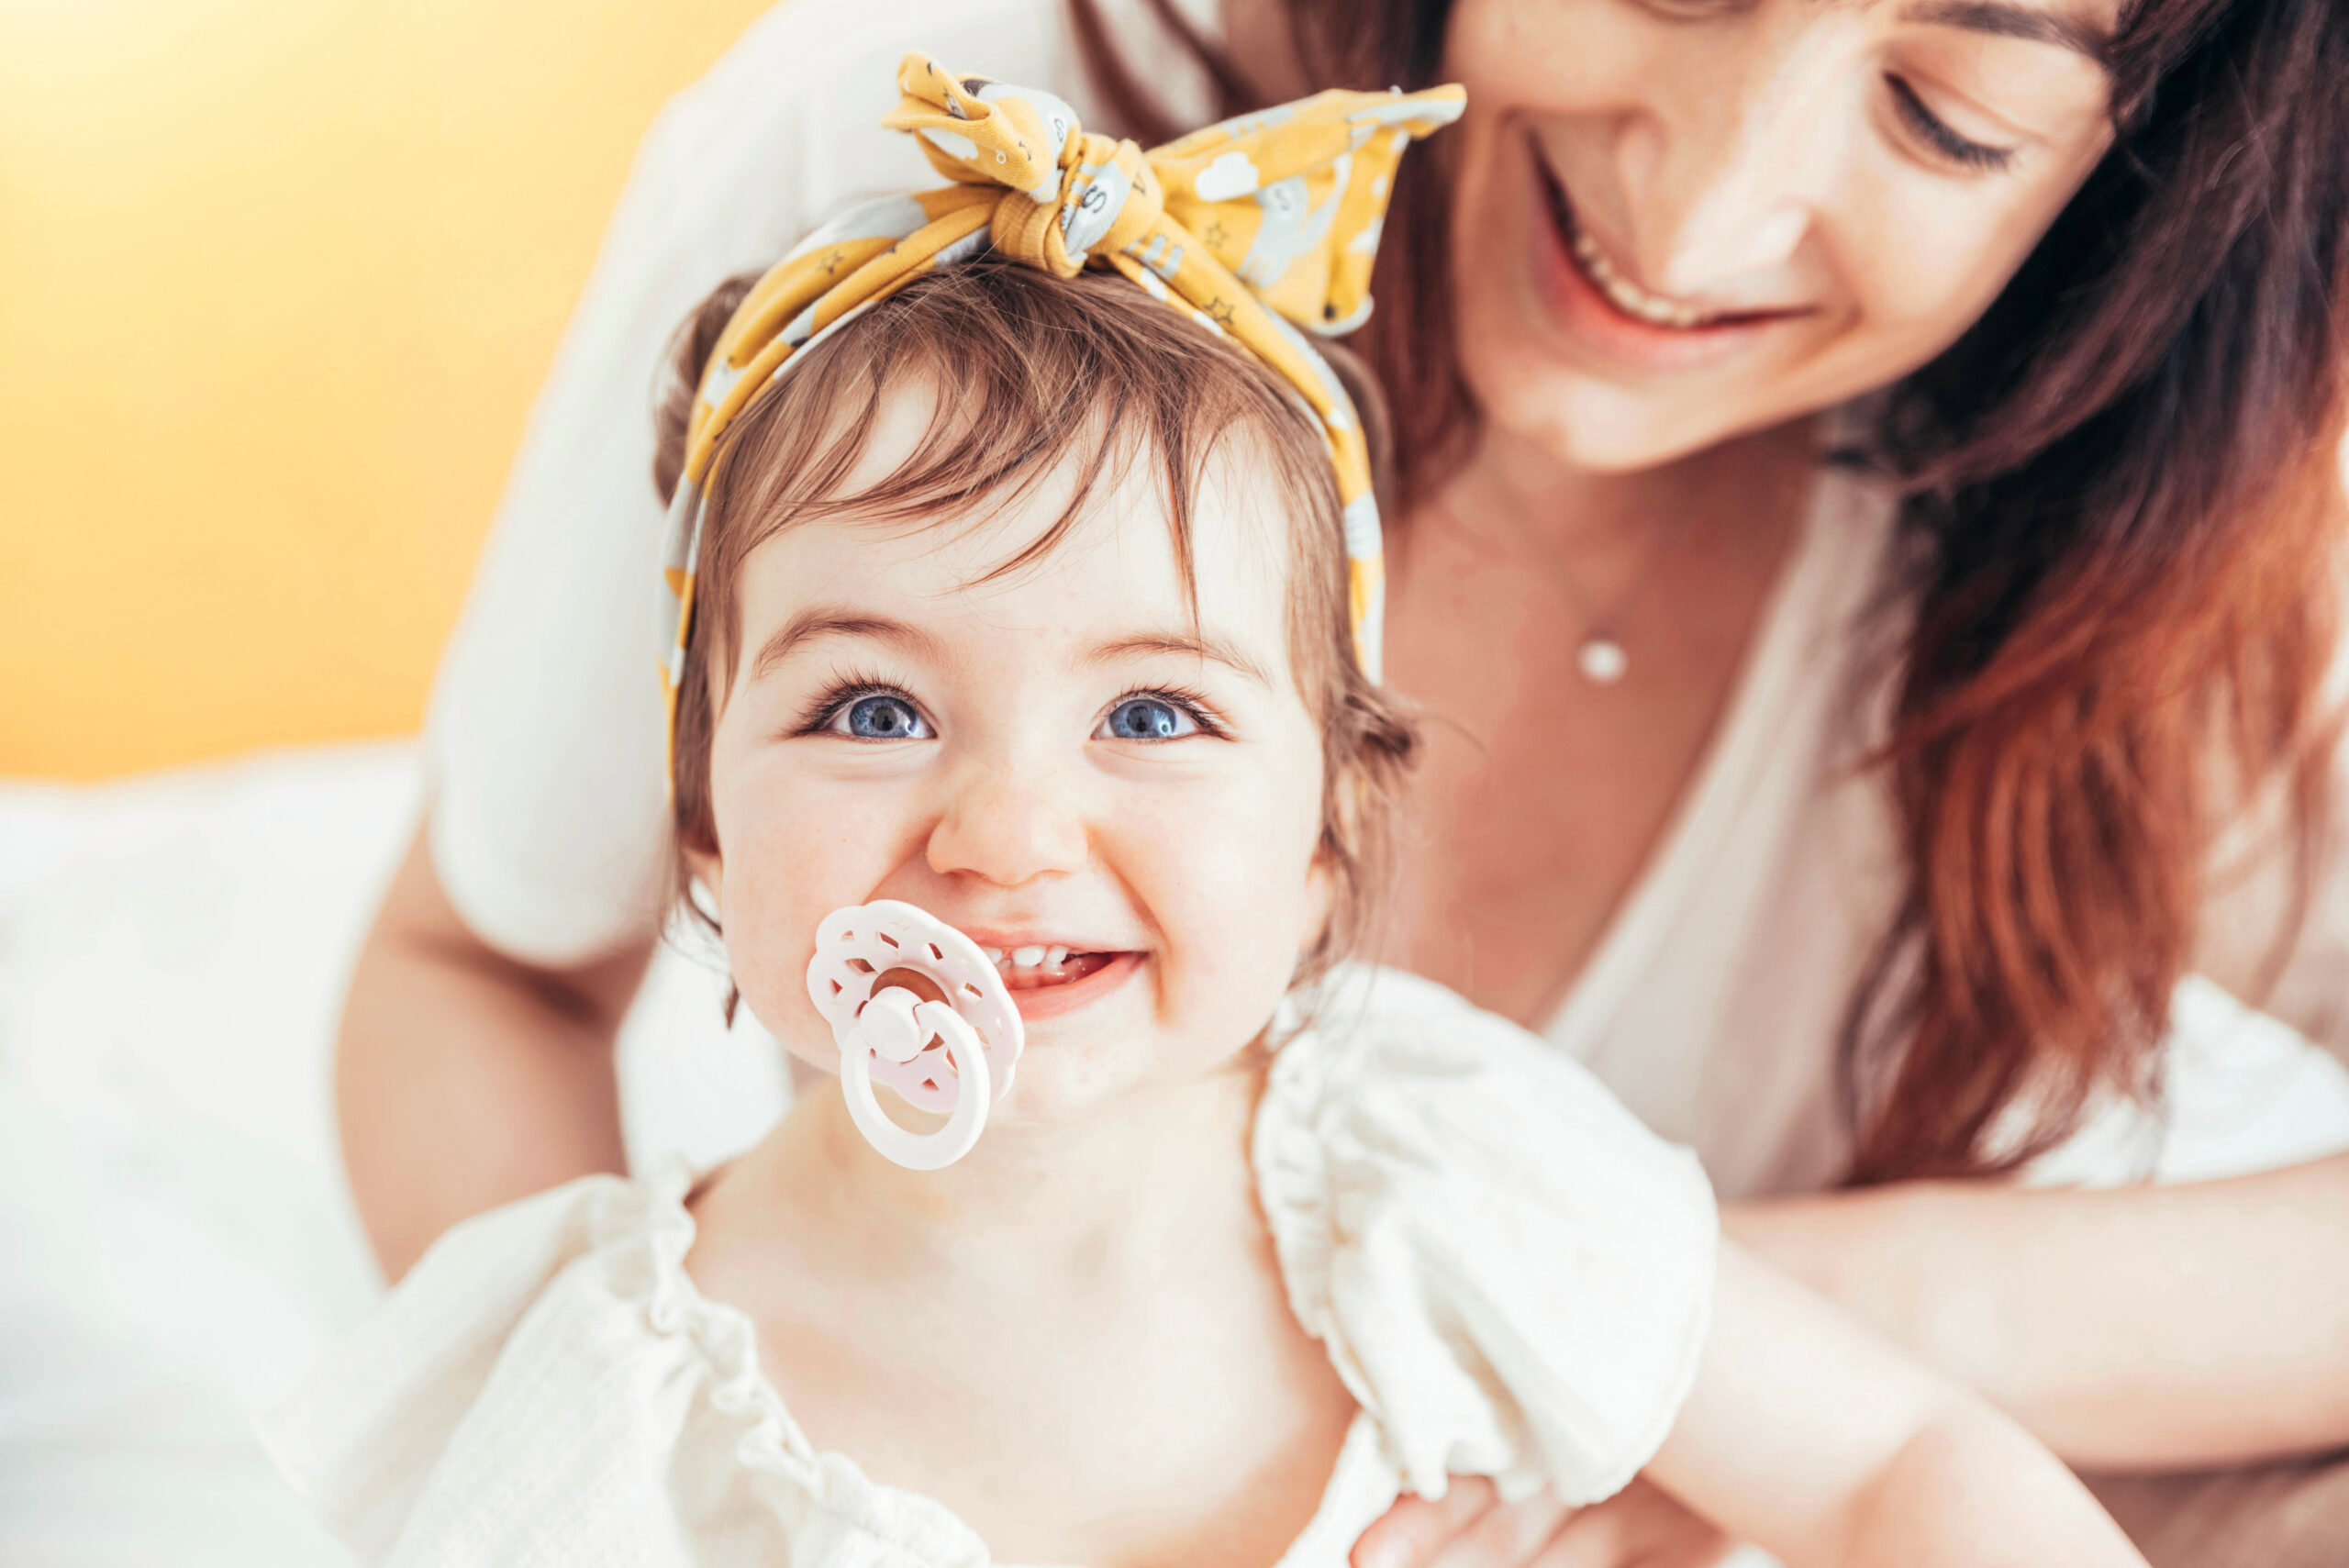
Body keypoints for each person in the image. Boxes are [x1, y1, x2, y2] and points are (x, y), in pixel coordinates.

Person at [337, 1, 2349, 1562]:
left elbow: (1905, 1460)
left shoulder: (1427, 1160)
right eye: (871, 710)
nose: (1006, 833)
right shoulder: (604, 1371)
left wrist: (1715, 1336)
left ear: (1334, 838)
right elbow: (475, 980)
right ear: (696, 821)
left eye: (1946, 115)